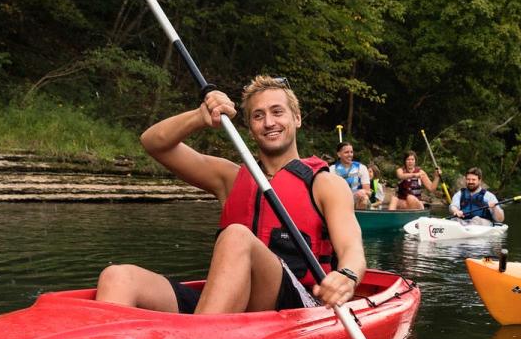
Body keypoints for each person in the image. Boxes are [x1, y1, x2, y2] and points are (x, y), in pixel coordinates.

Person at [95, 75, 366, 313]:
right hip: (232, 306)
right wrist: (199, 117)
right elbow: (154, 143)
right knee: (117, 277)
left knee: (236, 235)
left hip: (301, 305)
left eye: (277, 112)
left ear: (296, 118)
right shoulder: (230, 178)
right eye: (258, 116)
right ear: (249, 127)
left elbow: (352, 248)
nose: (269, 122)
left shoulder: (325, 184)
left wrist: (347, 274)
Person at [330, 142, 371, 210]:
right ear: (339, 154)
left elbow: (368, 192)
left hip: (357, 200)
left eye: (351, 152)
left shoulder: (361, 168)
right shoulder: (332, 169)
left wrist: (364, 192)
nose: (350, 155)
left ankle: (360, 218)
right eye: (346, 152)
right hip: (339, 200)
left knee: (364, 199)